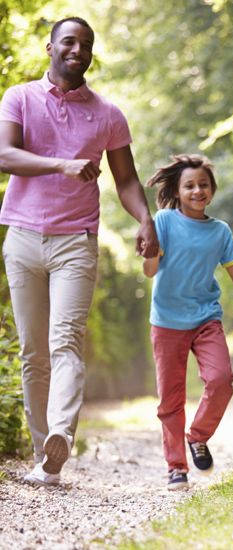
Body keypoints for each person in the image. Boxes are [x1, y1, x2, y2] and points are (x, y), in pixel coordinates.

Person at [0, 17, 159, 486]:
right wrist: (60, 165)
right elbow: (4, 155)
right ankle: (41, 454)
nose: (77, 49)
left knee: (65, 341)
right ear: (50, 46)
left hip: (76, 242)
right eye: (69, 41)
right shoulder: (20, 98)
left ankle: (61, 437)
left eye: (86, 44)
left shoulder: (107, 114)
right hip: (23, 238)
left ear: (91, 54)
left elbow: (126, 179)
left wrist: (146, 219)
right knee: (34, 352)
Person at [143, 154, 233, 490]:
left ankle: (197, 436)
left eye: (203, 185)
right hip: (167, 321)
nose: (197, 190)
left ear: (212, 189)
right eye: (190, 185)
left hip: (205, 318)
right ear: (178, 191)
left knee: (222, 379)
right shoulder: (164, 221)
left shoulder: (220, 231)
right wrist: (149, 251)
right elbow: (150, 270)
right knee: (170, 398)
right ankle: (176, 467)